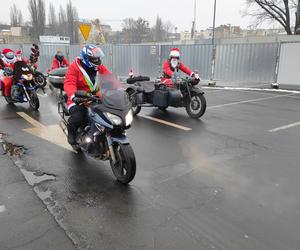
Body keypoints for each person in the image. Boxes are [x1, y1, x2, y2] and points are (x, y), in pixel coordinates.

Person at [64, 44, 111, 145]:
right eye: (94, 59)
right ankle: (71, 133)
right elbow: (69, 83)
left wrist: (119, 90)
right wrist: (74, 96)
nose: (97, 60)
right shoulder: (74, 67)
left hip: (96, 98)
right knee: (79, 116)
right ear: (87, 58)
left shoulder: (99, 67)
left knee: (108, 115)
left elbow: (109, 78)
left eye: (98, 58)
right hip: (80, 99)